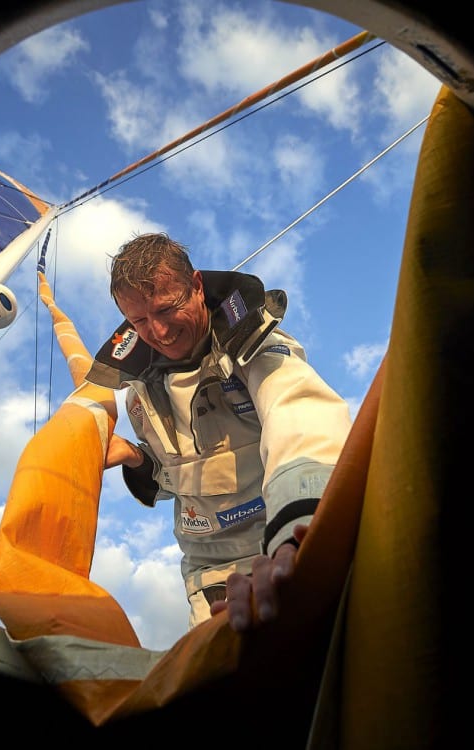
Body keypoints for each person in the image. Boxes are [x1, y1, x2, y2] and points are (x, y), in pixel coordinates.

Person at [85, 232, 352, 632]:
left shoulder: (254, 345)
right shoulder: (138, 392)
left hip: (288, 541)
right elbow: (175, 479)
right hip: (210, 578)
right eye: (139, 320)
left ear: (195, 286)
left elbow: (298, 414)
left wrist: (302, 531)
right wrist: (139, 460)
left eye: (167, 308)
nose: (157, 332)